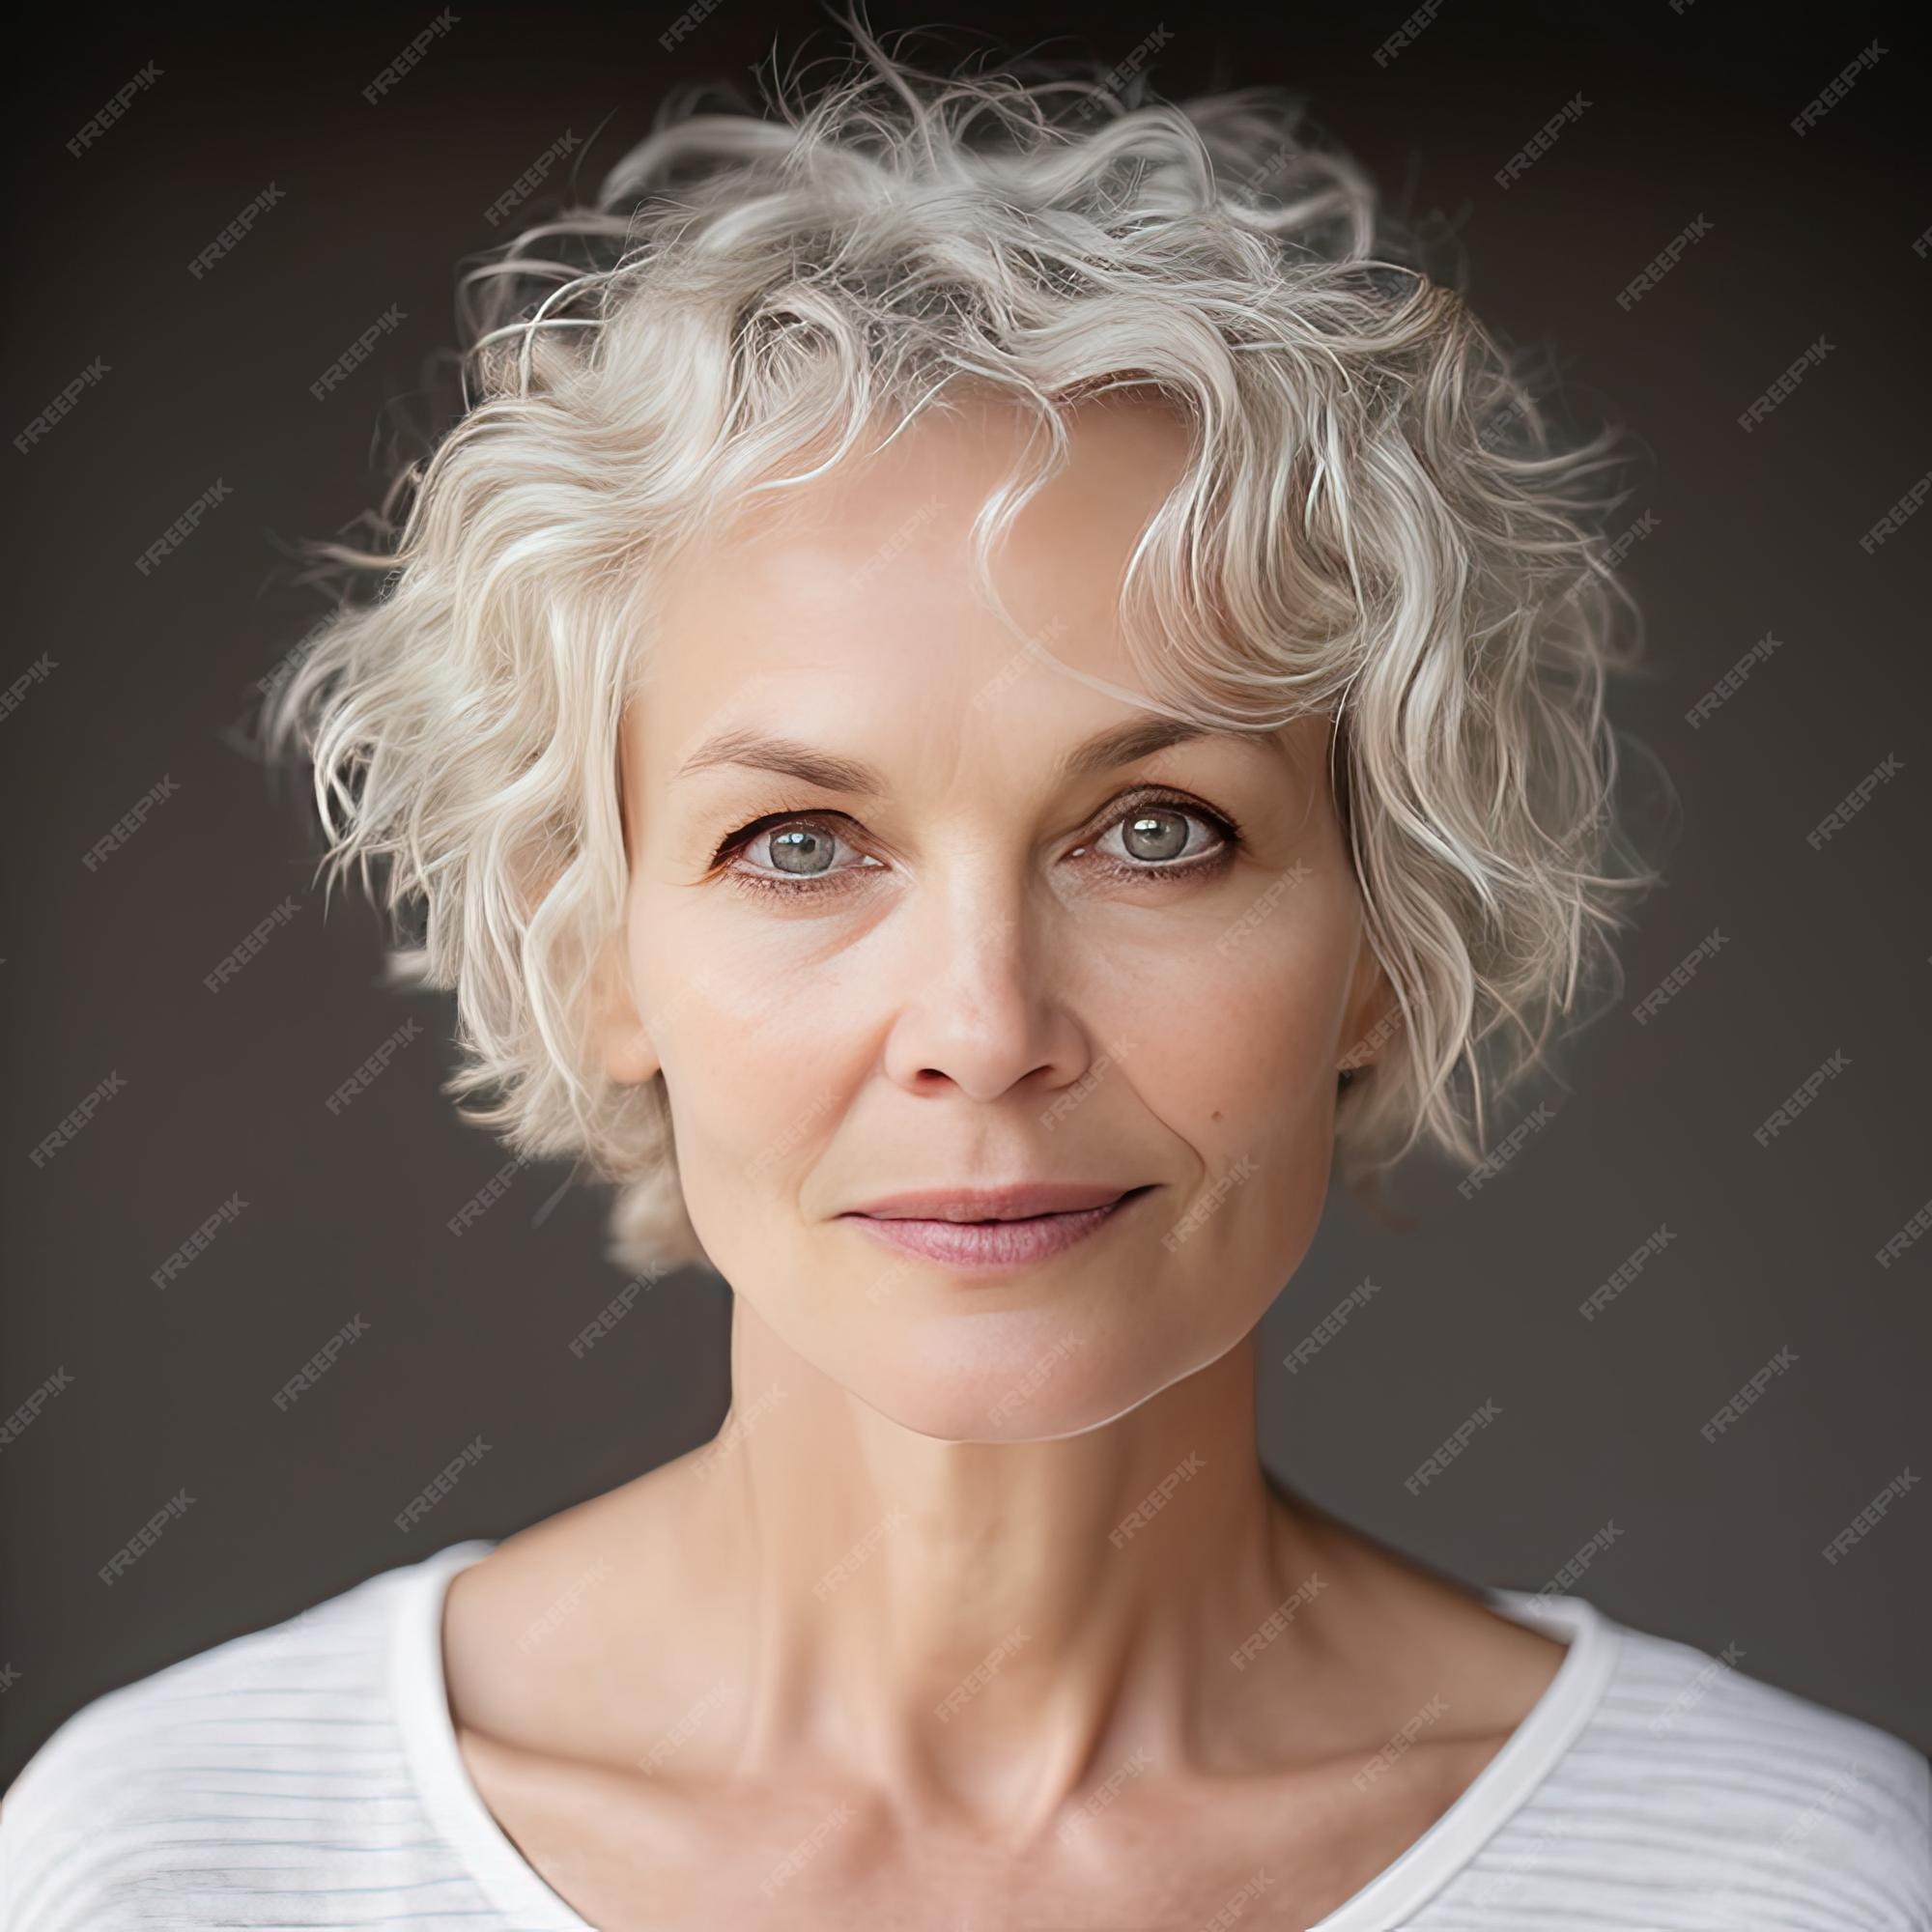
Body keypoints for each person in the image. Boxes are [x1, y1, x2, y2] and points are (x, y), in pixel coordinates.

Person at [5, 13, 1927, 1929]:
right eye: (799, 845)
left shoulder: (1792, 1884)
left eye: (1157, 828)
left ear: (1380, 936)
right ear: (593, 950)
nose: (985, 1031)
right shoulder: (177, 1862)